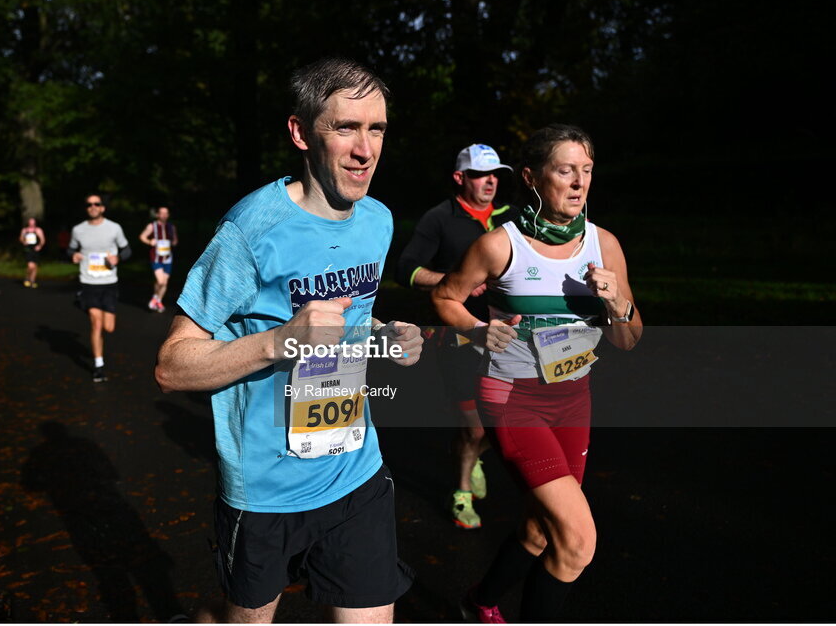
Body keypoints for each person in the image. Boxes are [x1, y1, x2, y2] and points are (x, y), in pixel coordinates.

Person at [156, 58, 423, 624]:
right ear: (301, 133)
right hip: (266, 491)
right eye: (345, 128)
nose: (365, 149)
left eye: (376, 129)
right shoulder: (250, 231)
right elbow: (172, 366)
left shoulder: (377, 221)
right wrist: (280, 341)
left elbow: (350, 318)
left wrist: (386, 334)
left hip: (356, 472)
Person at [432, 124, 642, 623]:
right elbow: (445, 297)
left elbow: (629, 339)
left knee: (540, 530)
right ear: (530, 177)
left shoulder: (604, 245)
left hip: (574, 400)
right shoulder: (499, 246)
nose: (579, 183)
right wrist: (478, 331)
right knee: (577, 541)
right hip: (513, 400)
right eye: (565, 170)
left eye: (586, 170)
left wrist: (617, 303)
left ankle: (478, 602)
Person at [397, 143, 518, 530]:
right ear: (459, 178)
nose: (491, 181)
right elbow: (406, 270)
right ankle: (461, 492)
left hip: (509, 335)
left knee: (506, 422)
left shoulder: (511, 218)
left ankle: (474, 454)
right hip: (459, 336)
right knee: (476, 426)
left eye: (496, 174)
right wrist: (451, 282)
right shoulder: (439, 218)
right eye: (482, 175)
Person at [69, 195, 131, 383]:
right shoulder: (78, 230)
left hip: (109, 283)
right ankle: (98, 366)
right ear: (86, 208)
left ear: (103, 208)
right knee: (96, 324)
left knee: (108, 328)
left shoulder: (114, 228)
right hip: (88, 283)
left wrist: (118, 258)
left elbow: (127, 250)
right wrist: (74, 255)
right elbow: (70, 250)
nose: (93, 207)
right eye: (89, 204)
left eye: (97, 204)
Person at [138, 206, 178, 312]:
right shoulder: (152, 226)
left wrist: (173, 242)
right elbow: (142, 237)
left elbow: (175, 240)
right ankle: (155, 298)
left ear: (168, 215)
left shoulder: (171, 227)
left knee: (165, 283)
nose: (164, 215)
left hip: (168, 258)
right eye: (162, 213)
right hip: (156, 258)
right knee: (160, 281)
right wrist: (149, 242)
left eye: (166, 213)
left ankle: (158, 300)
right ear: (157, 215)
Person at [19, 217, 46, 288]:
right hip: (28, 249)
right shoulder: (25, 230)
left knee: (35, 266)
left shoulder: (38, 230)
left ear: (35, 223)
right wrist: (23, 242)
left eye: (33, 222)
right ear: (28, 223)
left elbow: (43, 240)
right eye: (30, 222)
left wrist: (39, 246)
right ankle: (27, 278)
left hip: (35, 249)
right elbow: (21, 238)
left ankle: (32, 281)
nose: (31, 223)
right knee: (30, 266)